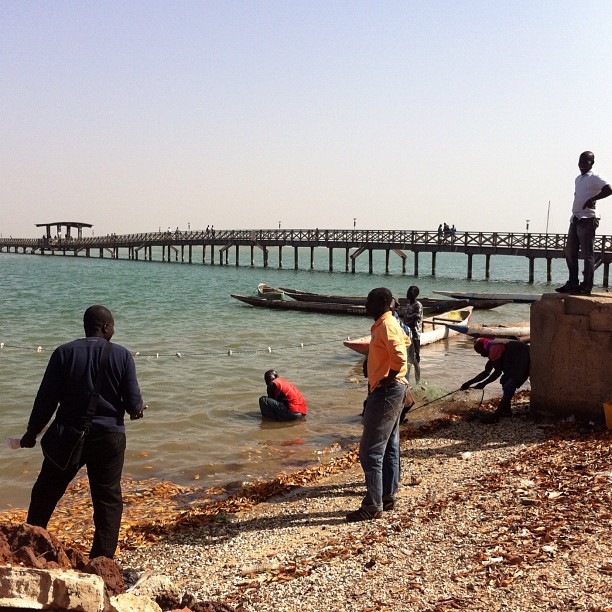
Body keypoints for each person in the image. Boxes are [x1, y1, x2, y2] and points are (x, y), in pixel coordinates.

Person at [19, 305, 146, 560]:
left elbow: (45, 400)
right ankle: (101, 560)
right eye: (113, 325)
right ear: (106, 327)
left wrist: (31, 434)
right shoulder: (122, 355)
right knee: (107, 499)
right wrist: (138, 410)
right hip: (109, 438)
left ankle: (31, 546)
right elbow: (133, 405)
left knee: (45, 492)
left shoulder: (63, 353)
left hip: (67, 436)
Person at [346, 287, 408, 522]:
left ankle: (373, 505)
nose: (366, 306)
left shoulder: (387, 325)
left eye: (370, 302)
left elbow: (400, 356)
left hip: (386, 392)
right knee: (390, 446)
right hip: (393, 390)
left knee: (370, 452)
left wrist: (389, 377)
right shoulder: (388, 323)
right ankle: (388, 496)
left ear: (383, 302)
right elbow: (405, 342)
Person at [556, 151, 611, 296]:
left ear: (592, 163)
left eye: (585, 162)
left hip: (588, 219)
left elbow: (609, 189)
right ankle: (573, 283)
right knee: (570, 252)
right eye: (580, 162)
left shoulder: (595, 177)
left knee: (587, 254)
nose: (581, 165)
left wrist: (593, 199)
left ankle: (586, 286)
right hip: (576, 218)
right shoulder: (578, 179)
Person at [460, 338, 530, 423]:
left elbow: (497, 372)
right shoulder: (492, 348)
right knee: (504, 381)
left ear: (485, 348)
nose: (482, 355)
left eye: (481, 352)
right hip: (518, 358)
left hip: (522, 358)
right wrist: (468, 383)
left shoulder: (494, 349)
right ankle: (506, 411)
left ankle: (495, 417)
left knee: (509, 385)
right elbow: (486, 372)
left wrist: (483, 384)